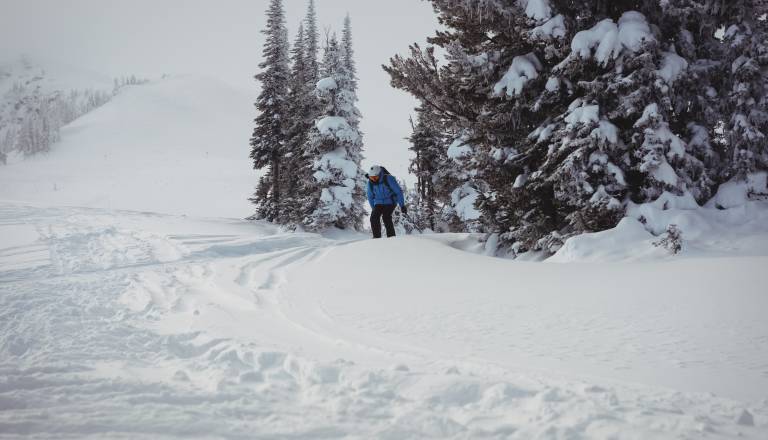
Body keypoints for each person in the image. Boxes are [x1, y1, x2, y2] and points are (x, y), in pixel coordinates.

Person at [365, 165, 406, 238]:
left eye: (375, 177)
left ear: (379, 174)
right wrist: (373, 208)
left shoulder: (388, 179)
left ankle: (391, 237)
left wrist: (402, 205)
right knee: (374, 217)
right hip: (378, 203)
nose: (374, 180)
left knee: (386, 217)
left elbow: (398, 192)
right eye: (371, 178)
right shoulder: (370, 183)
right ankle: (376, 237)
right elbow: (370, 196)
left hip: (390, 201)